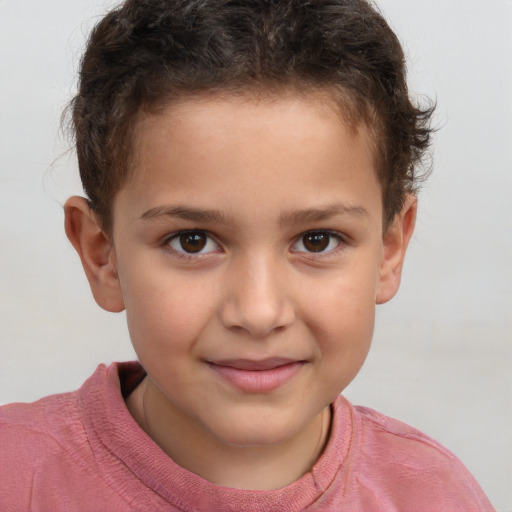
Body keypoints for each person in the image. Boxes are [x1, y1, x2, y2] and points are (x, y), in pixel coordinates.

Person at [0, 0, 496, 510]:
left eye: (317, 240)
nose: (259, 313)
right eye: (192, 241)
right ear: (102, 256)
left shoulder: (436, 495)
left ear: (390, 251)